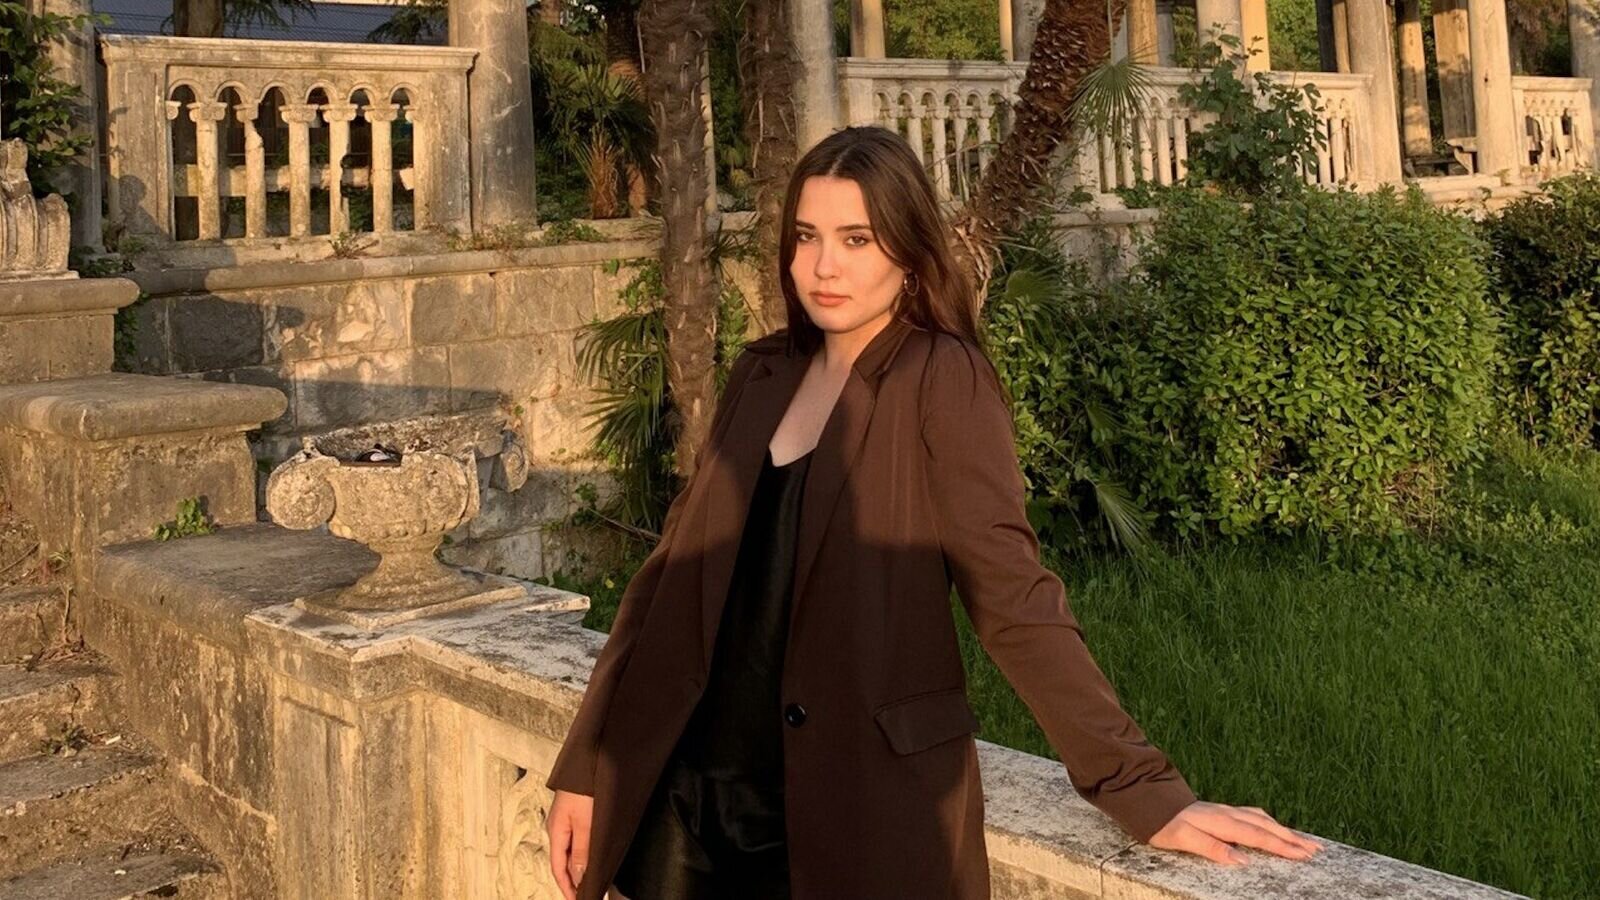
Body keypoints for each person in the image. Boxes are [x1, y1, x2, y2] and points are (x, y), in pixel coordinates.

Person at [543, 126, 1323, 900]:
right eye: (807, 236)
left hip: (851, 811)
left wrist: (1144, 788)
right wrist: (588, 764)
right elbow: (668, 581)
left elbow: (1013, 597)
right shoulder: (762, 373)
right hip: (691, 802)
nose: (823, 266)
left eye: (856, 239)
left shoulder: (942, 379)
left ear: (909, 253)